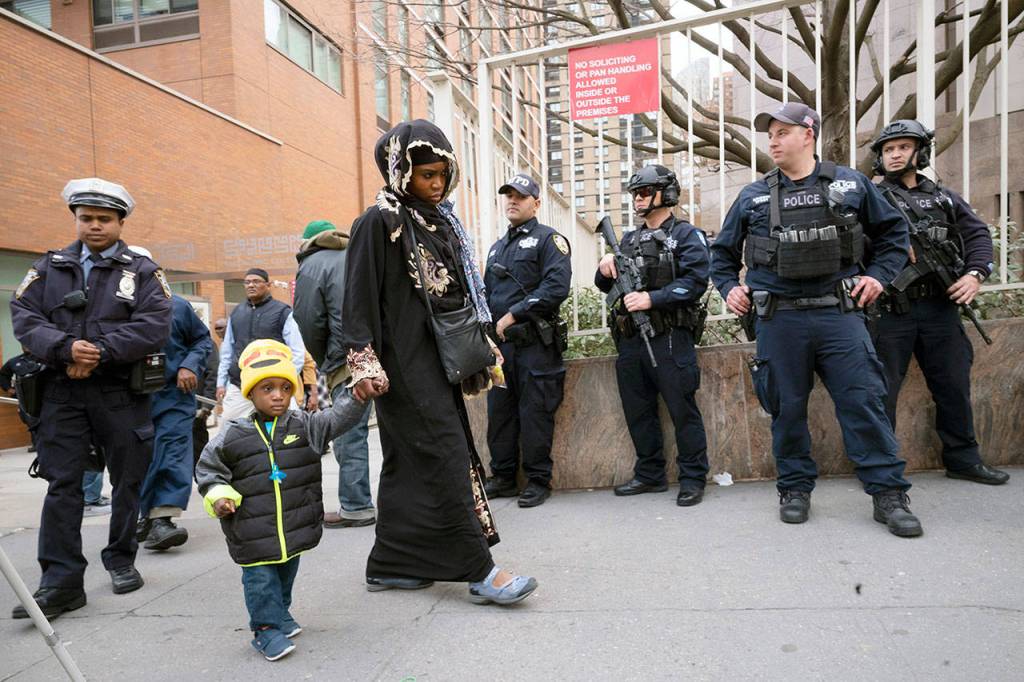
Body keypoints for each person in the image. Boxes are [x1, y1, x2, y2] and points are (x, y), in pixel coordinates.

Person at [342, 119, 537, 605]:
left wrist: (481, 341)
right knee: (448, 457)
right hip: (402, 367)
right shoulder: (378, 222)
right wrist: (364, 362)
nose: (435, 184)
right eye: (425, 174)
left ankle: (391, 562)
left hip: (440, 362)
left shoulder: (438, 221)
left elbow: (459, 297)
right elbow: (358, 298)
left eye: (441, 174)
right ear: (399, 171)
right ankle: (479, 568)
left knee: (409, 463)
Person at [710, 103, 924, 537]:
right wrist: (729, 288)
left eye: (782, 131)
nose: (772, 140)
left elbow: (893, 236)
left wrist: (879, 278)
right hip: (779, 320)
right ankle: (794, 489)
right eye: (769, 133)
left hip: (839, 315)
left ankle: (888, 495)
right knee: (786, 409)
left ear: (808, 134)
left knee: (863, 403)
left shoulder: (851, 183)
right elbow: (722, 255)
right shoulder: (753, 196)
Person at [10, 177, 172, 619]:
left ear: (121, 222)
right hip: (61, 391)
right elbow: (24, 316)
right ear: (75, 220)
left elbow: (155, 324)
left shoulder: (141, 271)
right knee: (63, 484)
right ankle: (60, 583)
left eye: (104, 219)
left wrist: (98, 351)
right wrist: (65, 349)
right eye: (86, 218)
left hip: (119, 391)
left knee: (126, 481)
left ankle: (121, 560)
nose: (94, 226)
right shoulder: (48, 267)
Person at [196, 339, 367, 661]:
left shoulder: (303, 425)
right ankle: (265, 629)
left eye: (284, 388)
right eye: (267, 389)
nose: (277, 395)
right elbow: (208, 469)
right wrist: (219, 496)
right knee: (261, 578)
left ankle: (280, 613)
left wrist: (356, 396)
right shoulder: (233, 434)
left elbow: (335, 420)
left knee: (286, 571)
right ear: (251, 393)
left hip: (292, 525)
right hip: (251, 528)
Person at [869, 120, 1009, 485]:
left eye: (903, 147)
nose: (895, 154)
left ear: (921, 152)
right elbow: (851, 242)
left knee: (953, 386)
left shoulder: (944, 197)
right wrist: (889, 249)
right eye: (888, 149)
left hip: (940, 309)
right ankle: (881, 468)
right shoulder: (871, 197)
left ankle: (963, 460)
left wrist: (975, 274)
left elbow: (977, 234)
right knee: (881, 391)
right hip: (890, 309)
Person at [595, 164, 712, 507]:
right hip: (631, 340)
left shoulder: (688, 235)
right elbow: (604, 285)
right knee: (638, 410)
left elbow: (695, 282)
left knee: (682, 408)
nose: (638, 199)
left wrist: (653, 298)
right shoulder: (628, 240)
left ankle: (692, 477)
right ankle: (650, 474)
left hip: (670, 336)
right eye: (635, 194)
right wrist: (604, 267)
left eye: (645, 192)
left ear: (667, 194)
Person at [482, 173, 571, 508]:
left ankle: (537, 480)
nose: (513, 201)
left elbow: (555, 288)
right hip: (502, 350)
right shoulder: (496, 248)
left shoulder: (551, 241)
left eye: (520, 196)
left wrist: (513, 314)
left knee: (535, 413)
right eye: (508, 195)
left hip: (535, 344)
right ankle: (503, 476)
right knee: (500, 414)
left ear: (536, 203)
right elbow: (487, 296)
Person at [293, 219, 376, 528]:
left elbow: (307, 320)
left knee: (349, 432)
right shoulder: (358, 254)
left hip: (346, 357)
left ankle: (356, 505)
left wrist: (325, 359)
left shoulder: (312, 263)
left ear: (307, 242)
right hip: (383, 351)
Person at [133, 249, 213, 551]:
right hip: (130, 399)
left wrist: (189, 364)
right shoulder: (111, 310)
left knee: (173, 452)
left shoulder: (177, 306)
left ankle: (162, 518)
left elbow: (202, 339)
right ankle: (143, 514)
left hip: (173, 396)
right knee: (138, 457)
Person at [215, 269, 305, 422]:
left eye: (256, 281)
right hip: (240, 385)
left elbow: (297, 352)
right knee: (229, 430)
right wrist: (221, 383)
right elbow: (227, 352)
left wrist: (284, 381)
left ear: (268, 285)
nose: (251, 285)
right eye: (247, 282)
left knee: (293, 430)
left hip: (275, 386)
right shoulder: (236, 313)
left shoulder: (283, 312)